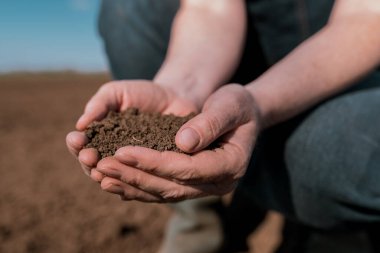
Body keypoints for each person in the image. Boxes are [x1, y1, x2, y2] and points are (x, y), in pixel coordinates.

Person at [66, 0, 380, 252]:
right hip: (251, 49)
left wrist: (258, 103)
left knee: (318, 153)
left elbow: (366, 17)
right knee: (128, 9)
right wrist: (182, 89)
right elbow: (211, 7)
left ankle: (329, 225)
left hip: (351, 62)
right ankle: (201, 218)